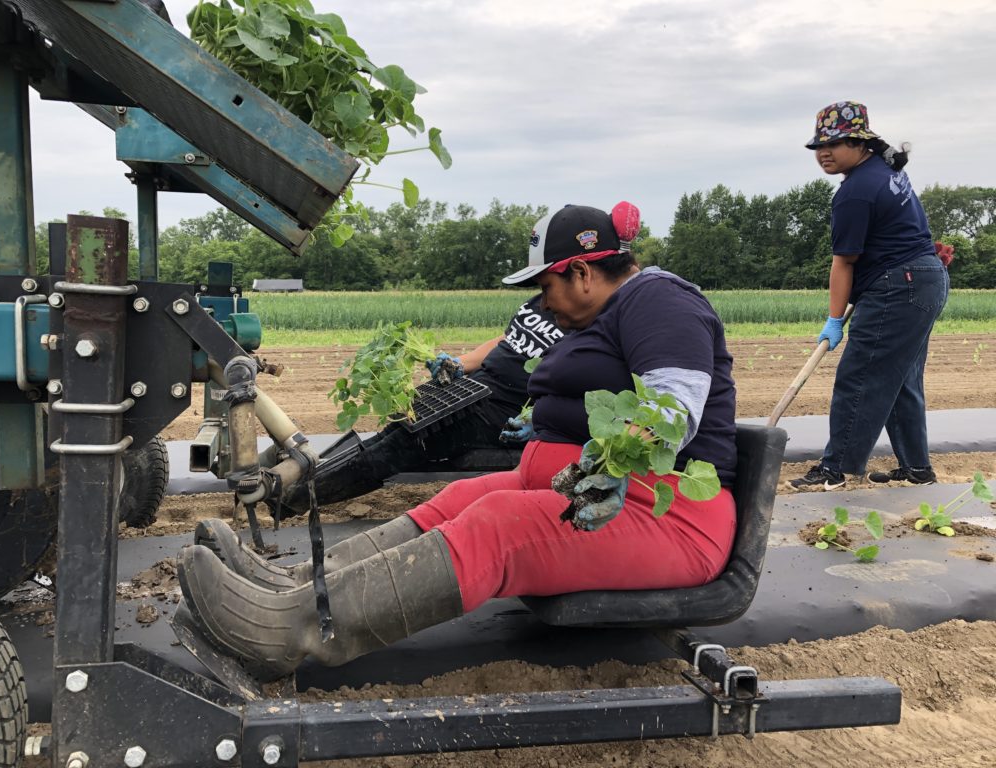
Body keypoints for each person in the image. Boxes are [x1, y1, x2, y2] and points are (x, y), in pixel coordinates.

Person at [177, 202, 738, 681]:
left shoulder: (660, 301)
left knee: (499, 526)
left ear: (584, 273)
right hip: (582, 494)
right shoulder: (600, 319)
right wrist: (542, 422)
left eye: (546, 287)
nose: (543, 302)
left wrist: (618, 461)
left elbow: (671, 407)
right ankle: (298, 584)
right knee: (454, 502)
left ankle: (291, 632)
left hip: (665, 515)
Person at [271, 294, 565, 520]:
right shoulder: (543, 300)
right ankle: (299, 485)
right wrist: (460, 364)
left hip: (501, 415)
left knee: (404, 445)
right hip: (474, 387)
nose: (545, 291)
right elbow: (508, 340)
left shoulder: (590, 318)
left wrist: (541, 419)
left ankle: (286, 505)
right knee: (397, 429)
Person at [790, 101, 950, 490]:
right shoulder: (885, 170)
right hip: (925, 277)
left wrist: (833, 319)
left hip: (900, 285)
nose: (823, 153)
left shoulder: (855, 192)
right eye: (818, 147)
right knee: (899, 379)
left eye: (835, 143)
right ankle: (917, 468)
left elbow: (844, 262)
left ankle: (836, 470)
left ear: (861, 142)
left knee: (860, 377)